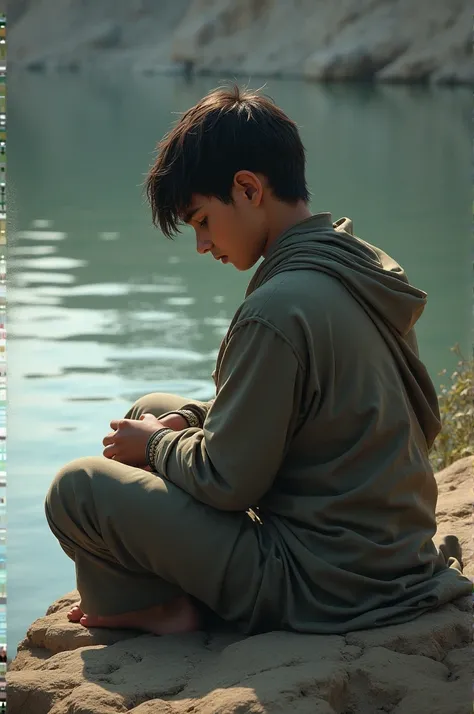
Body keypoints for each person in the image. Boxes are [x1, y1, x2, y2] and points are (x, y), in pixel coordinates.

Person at [45, 85, 471, 637]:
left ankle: (158, 608)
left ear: (247, 188)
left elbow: (227, 483)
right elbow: (315, 405)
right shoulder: (351, 264)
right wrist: (190, 421)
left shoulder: (276, 308)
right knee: (155, 406)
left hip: (322, 582)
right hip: (386, 551)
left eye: (201, 220)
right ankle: (162, 587)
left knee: (76, 488)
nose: (202, 244)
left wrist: (154, 445)